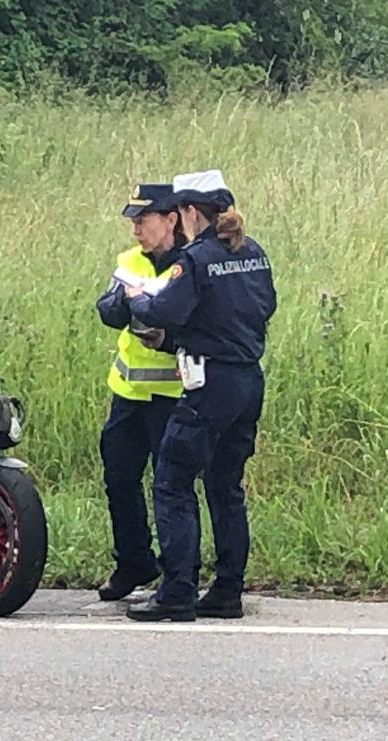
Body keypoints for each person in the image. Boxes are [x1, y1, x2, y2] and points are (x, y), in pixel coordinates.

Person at [124, 170, 276, 622]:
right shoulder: (253, 253)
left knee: (172, 478)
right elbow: (257, 310)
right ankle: (228, 590)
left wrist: (136, 298)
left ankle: (177, 592)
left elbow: (164, 308)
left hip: (210, 385)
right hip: (248, 381)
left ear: (190, 212)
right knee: (226, 485)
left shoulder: (195, 259)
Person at [94, 183, 184, 601]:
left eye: (142, 221)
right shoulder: (129, 260)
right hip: (128, 393)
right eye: (132, 222)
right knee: (119, 479)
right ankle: (132, 562)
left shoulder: (189, 262)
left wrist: (142, 304)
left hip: (174, 395)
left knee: (169, 486)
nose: (135, 230)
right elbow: (109, 309)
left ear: (170, 219)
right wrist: (128, 302)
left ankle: (176, 574)